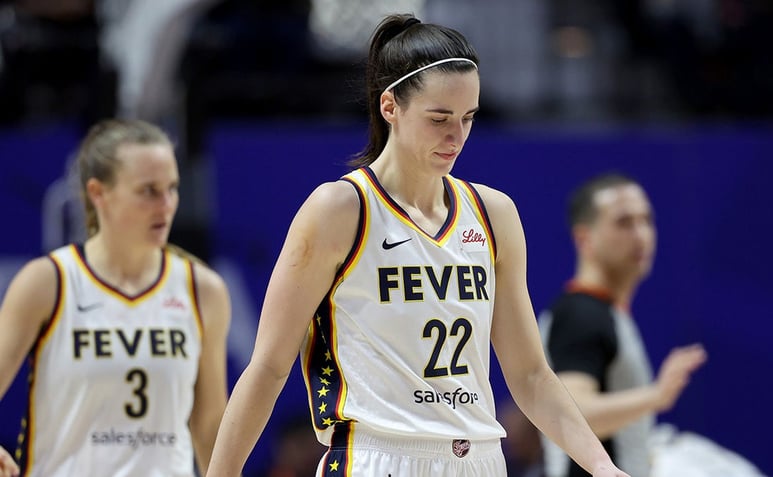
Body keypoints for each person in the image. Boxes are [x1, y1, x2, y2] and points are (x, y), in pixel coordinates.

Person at [206, 13, 629, 477]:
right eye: (439, 118)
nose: (456, 136)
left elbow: (530, 375)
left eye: (468, 118)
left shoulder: (494, 213)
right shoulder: (339, 209)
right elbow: (267, 367)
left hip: (480, 459)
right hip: (377, 455)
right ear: (391, 106)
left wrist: (602, 467)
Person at [0, 118, 232, 477]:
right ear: (98, 193)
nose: (166, 204)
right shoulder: (49, 282)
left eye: (172, 188)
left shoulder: (203, 290)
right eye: (148, 191)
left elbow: (210, 424)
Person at [538, 172, 708, 477]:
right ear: (584, 238)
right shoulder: (580, 315)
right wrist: (655, 396)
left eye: (646, 221)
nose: (641, 234)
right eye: (624, 222)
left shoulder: (606, 312)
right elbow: (573, 417)